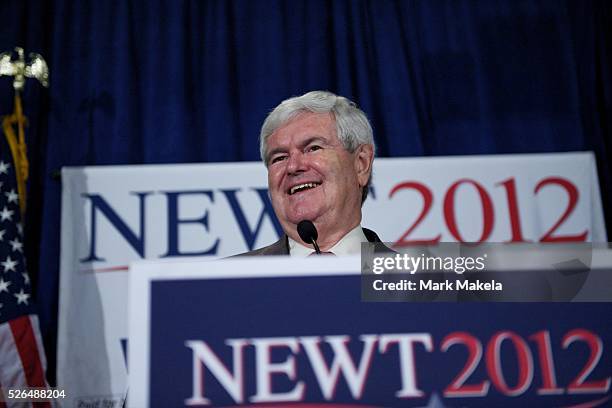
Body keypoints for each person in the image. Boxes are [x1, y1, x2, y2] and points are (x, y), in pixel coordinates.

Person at [238, 90, 383, 256]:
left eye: (313, 148)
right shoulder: (226, 280)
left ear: (361, 163)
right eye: (279, 158)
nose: (293, 166)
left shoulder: (412, 277)